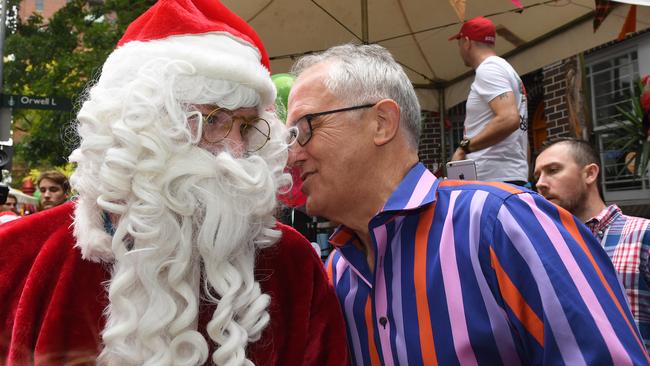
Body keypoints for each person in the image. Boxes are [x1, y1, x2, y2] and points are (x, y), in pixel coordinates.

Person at [0, 0, 349, 365]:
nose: (235, 150)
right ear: (140, 128)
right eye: (212, 120)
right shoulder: (17, 257)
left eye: (246, 127)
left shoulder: (293, 267)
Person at [286, 43, 648, 365]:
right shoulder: (338, 273)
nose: (292, 156)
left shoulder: (505, 222)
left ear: (382, 123)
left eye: (305, 128)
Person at [535, 137, 650, 349]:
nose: (540, 183)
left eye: (552, 170)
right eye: (537, 175)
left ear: (589, 173)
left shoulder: (642, 234)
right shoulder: (546, 248)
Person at [449, 16, 529, 185]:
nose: (460, 49)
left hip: (494, 177)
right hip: (507, 175)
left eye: (459, 43)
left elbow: (509, 118)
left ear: (467, 42)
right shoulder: (506, 70)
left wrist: (464, 147)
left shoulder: (489, 69)